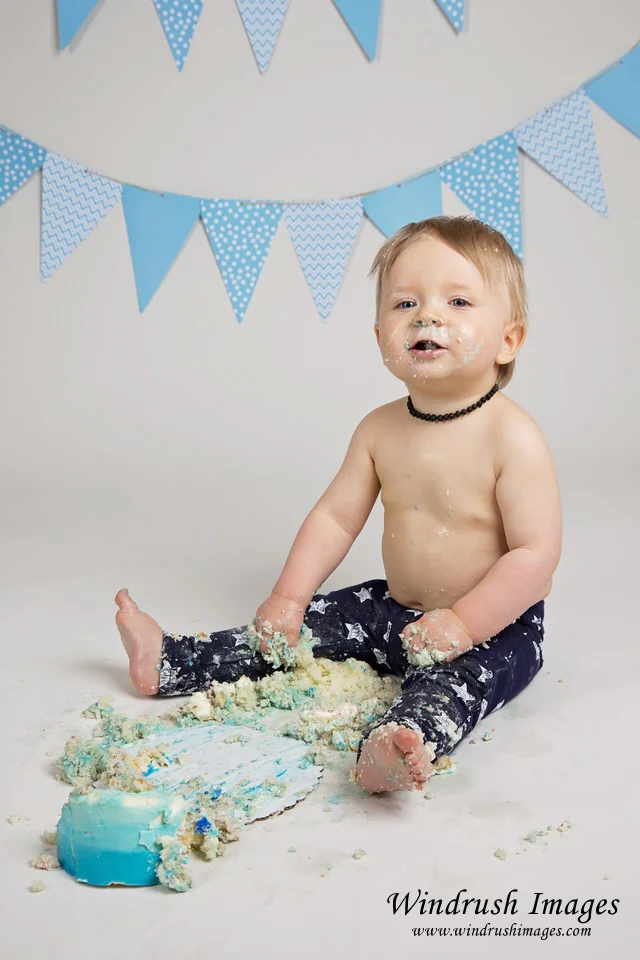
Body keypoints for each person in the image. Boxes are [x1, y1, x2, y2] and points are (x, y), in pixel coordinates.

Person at [116, 215, 562, 794]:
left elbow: (535, 556)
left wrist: (463, 622)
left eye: (457, 301)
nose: (428, 317)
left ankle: (402, 741)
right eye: (405, 304)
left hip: (494, 627)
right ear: (380, 336)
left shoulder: (512, 436)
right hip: (394, 610)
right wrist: (288, 597)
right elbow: (334, 517)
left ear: (509, 339)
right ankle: (173, 660)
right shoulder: (379, 430)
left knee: (458, 684)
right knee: (299, 628)